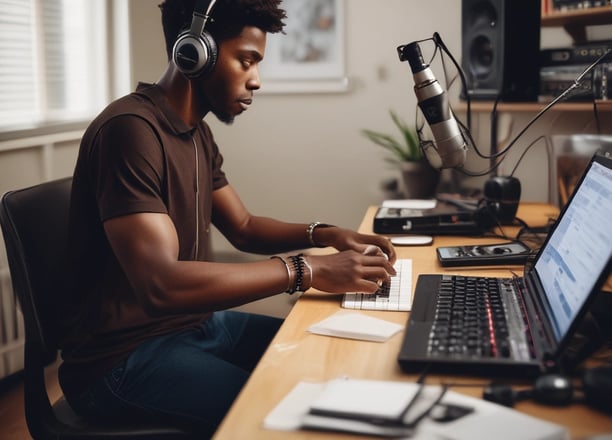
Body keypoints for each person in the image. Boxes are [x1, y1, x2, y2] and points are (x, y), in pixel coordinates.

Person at [58, 0, 396, 437]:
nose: (256, 80)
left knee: (318, 355)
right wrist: (306, 270)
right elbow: (161, 285)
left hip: (195, 325)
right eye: (246, 60)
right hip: (120, 359)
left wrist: (325, 234)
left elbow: (243, 227)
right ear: (195, 51)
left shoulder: (196, 132)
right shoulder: (130, 131)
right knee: (283, 415)